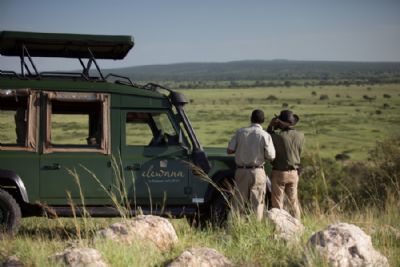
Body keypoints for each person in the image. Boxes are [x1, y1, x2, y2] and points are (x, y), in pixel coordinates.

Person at [227, 109, 275, 221]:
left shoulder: (240, 132)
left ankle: (235, 226)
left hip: (241, 171)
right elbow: (271, 156)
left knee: (238, 202)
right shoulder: (265, 135)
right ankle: (256, 228)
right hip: (258, 171)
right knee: (258, 203)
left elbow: (229, 150)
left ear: (251, 119)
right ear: (262, 121)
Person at [267, 110, 304, 220]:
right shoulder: (301, 135)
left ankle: (280, 227)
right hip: (294, 173)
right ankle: (297, 224)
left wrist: (271, 125)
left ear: (282, 123)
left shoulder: (279, 136)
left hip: (280, 173)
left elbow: (267, 136)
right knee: (294, 203)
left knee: (278, 204)